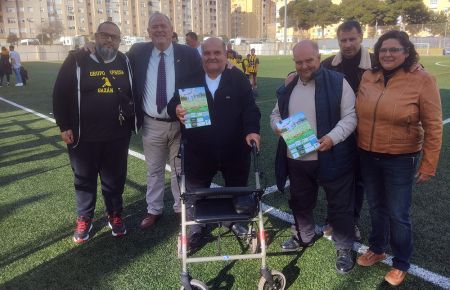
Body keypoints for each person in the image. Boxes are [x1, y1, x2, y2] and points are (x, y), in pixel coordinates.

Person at [356, 30, 442, 286]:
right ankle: (378, 247)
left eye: (394, 49)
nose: (388, 54)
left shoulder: (422, 80)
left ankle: (401, 262)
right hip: (368, 154)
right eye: (383, 49)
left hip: (400, 158)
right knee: (375, 206)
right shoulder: (368, 76)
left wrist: (429, 164)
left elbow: (434, 125)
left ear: (406, 52)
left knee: (398, 213)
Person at [271, 40, 357, 274]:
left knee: (339, 205)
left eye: (309, 60)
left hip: (332, 156)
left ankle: (344, 247)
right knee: (300, 201)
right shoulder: (289, 87)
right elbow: (276, 115)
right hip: (297, 158)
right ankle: (303, 235)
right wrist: (277, 127)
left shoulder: (338, 82)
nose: (304, 66)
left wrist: (331, 138)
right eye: (299, 62)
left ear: (319, 58)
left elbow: (350, 117)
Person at [167, 37, 261, 250]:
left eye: (216, 53)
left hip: (234, 150)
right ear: (202, 56)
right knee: (194, 193)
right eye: (207, 53)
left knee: (236, 190)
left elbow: (250, 108)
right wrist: (176, 109)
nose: (212, 57)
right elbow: (173, 103)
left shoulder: (237, 78)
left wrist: (253, 131)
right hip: (198, 151)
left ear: (225, 54)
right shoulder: (189, 78)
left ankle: (236, 223)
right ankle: (196, 229)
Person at [53, 21, 136, 244]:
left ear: (120, 41)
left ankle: (115, 213)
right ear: (95, 36)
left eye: (114, 37)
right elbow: (60, 93)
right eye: (105, 35)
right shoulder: (77, 59)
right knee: (84, 180)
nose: (109, 40)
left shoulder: (125, 60)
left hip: (117, 135)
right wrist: (64, 125)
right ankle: (84, 218)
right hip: (83, 135)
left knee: (115, 179)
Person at [127, 12, 203, 230]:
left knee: (180, 170)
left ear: (172, 30)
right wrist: (89, 50)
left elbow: (200, 80)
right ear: (148, 32)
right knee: (154, 170)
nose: (159, 30)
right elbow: (115, 60)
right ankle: (154, 210)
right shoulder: (137, 52)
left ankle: (181, 209)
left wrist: (228, 66)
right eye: (154, 27)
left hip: (180, 124)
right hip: (151, 123)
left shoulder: (187, 54)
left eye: (163, 26)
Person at [320, 20, 374, 241]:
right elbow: (307, 74)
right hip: (338, 132)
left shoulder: (377, 62)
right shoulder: (327, 64)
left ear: (361, 37)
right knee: (335, 179)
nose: (348, 44)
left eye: (352, 39)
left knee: (358, 182)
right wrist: (292, 75)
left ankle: (352, 220)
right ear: (338, 41)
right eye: (343, 40)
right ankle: (332, 219)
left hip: (365, 133)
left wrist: (415, 66)